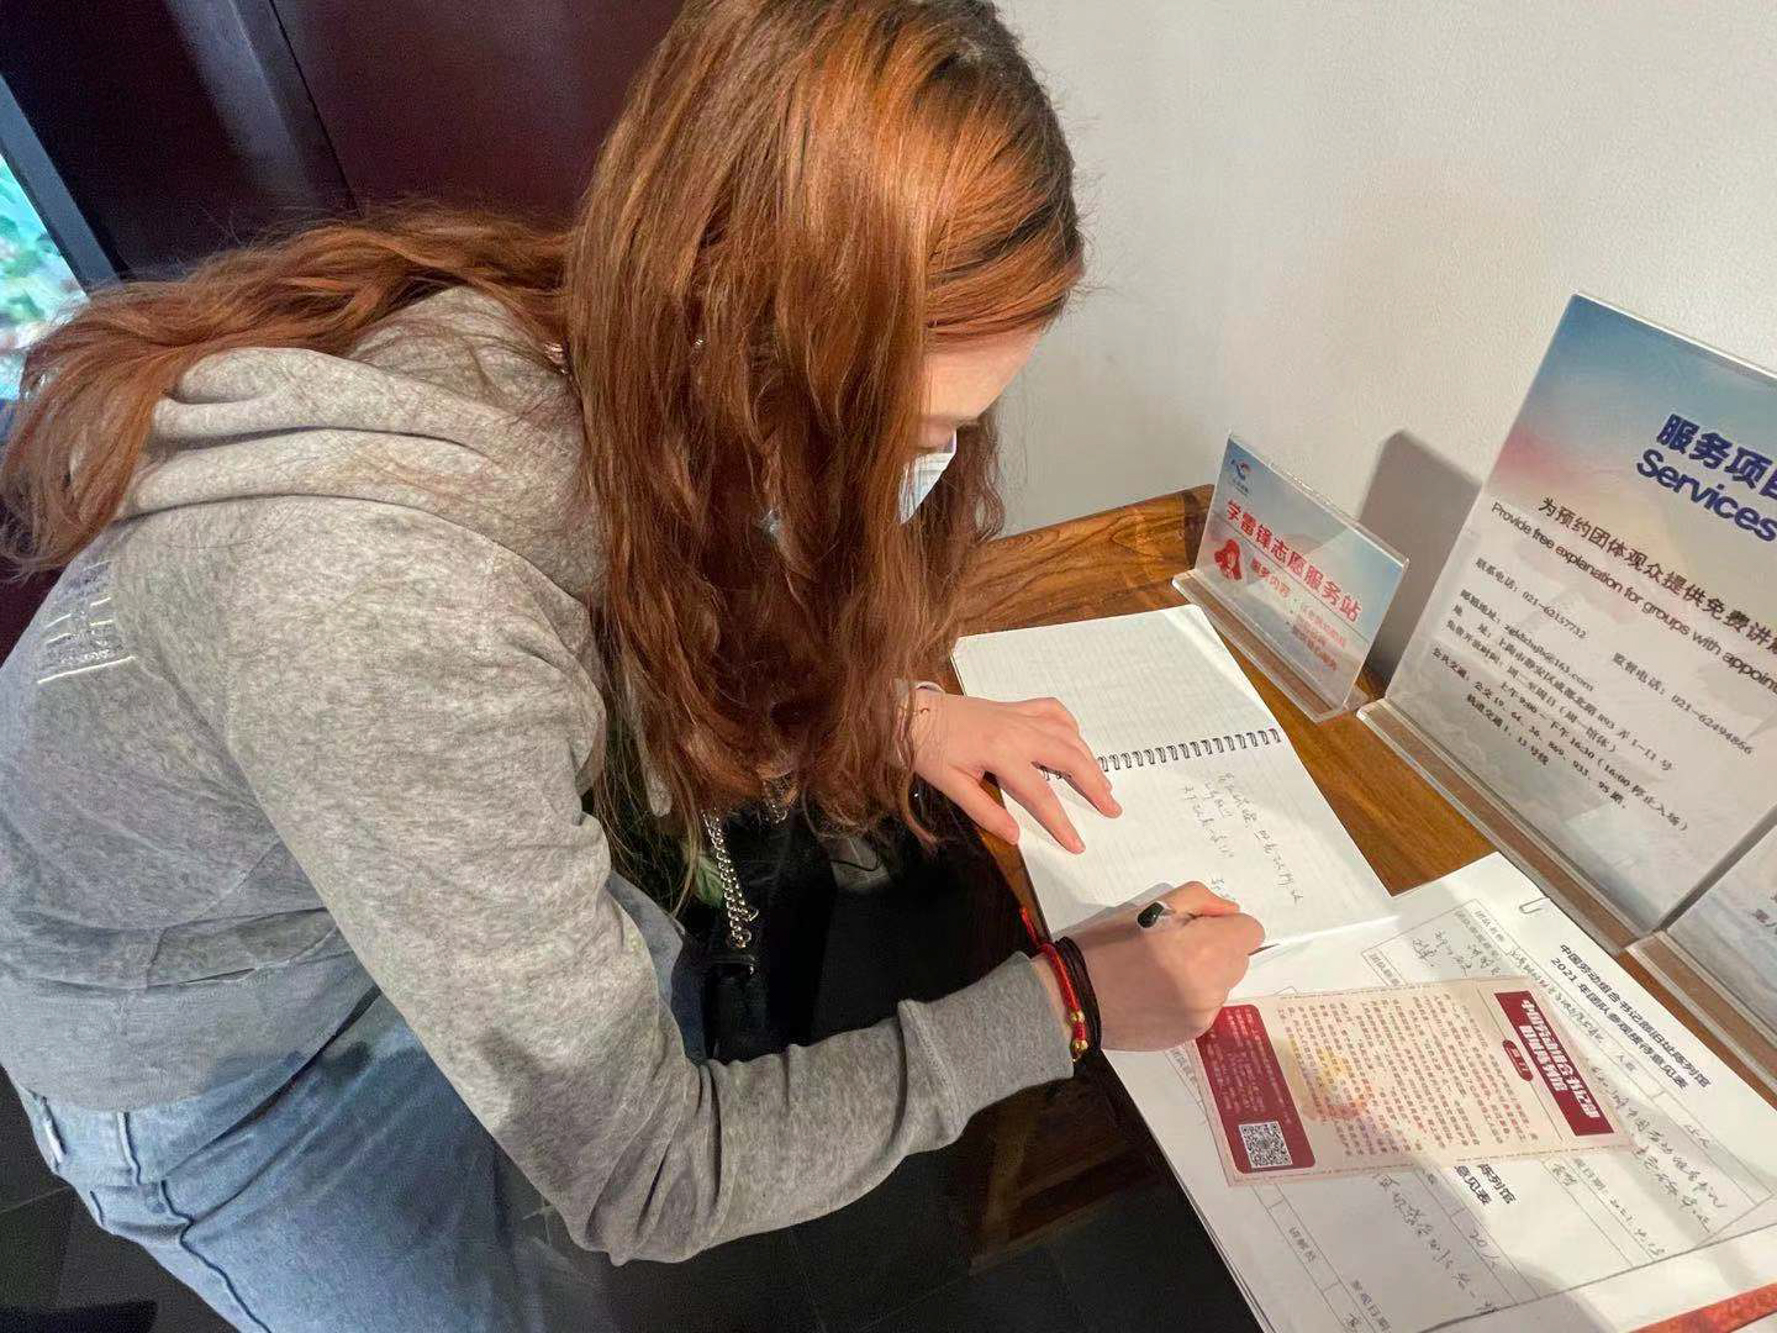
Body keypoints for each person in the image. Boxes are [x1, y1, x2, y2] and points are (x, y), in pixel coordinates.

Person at [0, 1, 1264, 1328]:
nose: (924, 472)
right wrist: (1065, 1004)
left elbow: (649, 608)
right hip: (231, 1058)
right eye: (905, 433)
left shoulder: (611, 346)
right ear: (736, 322)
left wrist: (895, 714)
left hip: (365, 867)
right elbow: (651, 1173)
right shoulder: (385, 612)